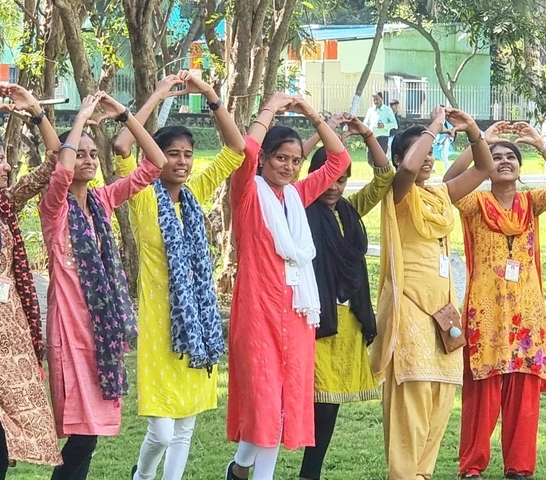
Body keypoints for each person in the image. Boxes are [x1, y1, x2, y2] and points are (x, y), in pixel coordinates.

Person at [113, 72, 245, 480]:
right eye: (172, 153)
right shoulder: (140, 195)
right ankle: (142, 475)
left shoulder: (195, 194)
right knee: (162, 430)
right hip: (158, 325)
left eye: (187, 153)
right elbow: (122, 147)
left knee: (185, 427)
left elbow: (236, 150)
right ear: (157, 156)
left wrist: (209, 94)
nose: (182, 161)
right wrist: (156, 95)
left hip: (197, 327)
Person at [40, 93, 167, 480]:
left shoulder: (103, 201)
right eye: (80, 153)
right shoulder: (54, 208)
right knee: (83, 435)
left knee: (90, 436)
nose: (89, 159)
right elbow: (60, 175)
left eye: (93, 153)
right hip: (69, 330)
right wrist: (79, 118)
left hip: (102, 333)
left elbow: (156, 164)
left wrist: (126, 115)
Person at [225, 93, 351, 480]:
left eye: (296, 161)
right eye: (281, 158)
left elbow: (340, 161)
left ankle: (240, 468)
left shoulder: (295, 196)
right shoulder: (247, 195)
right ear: (265, 159)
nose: (290, 166)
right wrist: (270, 110)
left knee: (280, 406)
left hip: (297, 315)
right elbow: (245, 151)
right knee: (264, 405)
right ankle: (248, 470)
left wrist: (313, 113)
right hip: (257, 315)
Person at [371, 106, 495, 480]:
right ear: (400, 156)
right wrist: (433, 128)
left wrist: (474, 129)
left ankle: (422, 474)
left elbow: (483, 169)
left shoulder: (440, 194)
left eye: (430, 154)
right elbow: (407, 170)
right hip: (409, 309)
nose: (426, 160)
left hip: (444, 314)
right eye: (419, 152)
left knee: (441, 398)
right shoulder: (399, 192)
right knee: (414, 397)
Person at [447, 121, 546, 480]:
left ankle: (519, 467)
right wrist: (479, 143)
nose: (503, 161)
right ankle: (472, 467)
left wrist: (540, 144)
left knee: (524, 397)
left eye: (510, 157)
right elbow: (449, 184)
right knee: (482, 398)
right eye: (496, 157)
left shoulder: (531, 203)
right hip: (485, 314)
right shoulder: (475, 203)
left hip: (526, 316)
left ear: (520, 168)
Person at [0, 83, 63, 478]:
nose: (8, 167)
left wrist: (37, 112)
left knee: (0, 441)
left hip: (9, 337)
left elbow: (58, 160)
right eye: (0, 160)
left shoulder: (5, 204)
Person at [298, 113, 393, 480]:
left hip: (349, 320)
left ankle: (311, 473)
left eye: (342, 179)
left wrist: (368, 134)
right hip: (316, 320)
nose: (335, 187)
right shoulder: (300, 209)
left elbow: (384, 177)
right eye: (329, 178)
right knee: (315, 403)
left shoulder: (350, 210)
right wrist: (318, 134)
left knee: (330, 403)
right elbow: (284, 176)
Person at [363, 91, 397, 163]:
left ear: (382, 98)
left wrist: (384, 126)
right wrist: (366, 133)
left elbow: (394, 124)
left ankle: (380, 173)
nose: (375, 101)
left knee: (381, 159)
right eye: (374, 99)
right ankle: (375, 170)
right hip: (372, 137)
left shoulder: (387, 110)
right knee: (370, 159)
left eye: (377, 99)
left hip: (383, 138)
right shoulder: (370, 110)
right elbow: (366, 123)